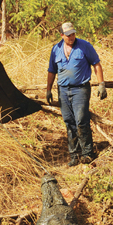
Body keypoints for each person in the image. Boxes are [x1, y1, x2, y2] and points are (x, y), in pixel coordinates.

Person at [46, 22, 107, 167]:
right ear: (62, 35)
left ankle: (87, 153)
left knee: (81, 120)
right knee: (69, 122)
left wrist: (102, 84)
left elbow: (96, 64)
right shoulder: (56, 49)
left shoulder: (85, 46)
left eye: (73, 34)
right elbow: (51, 71)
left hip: (80, 89)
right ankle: (75, 155)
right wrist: (48, 90)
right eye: (68, 35)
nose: (71, 37)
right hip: (63, 91)